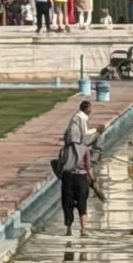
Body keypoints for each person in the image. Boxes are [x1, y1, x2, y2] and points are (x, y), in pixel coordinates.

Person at [53, 100, 95, 236]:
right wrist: (93, 181)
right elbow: (88, 166)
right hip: (81, 178)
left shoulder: (64, 151)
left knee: (68, 203)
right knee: (82, 204)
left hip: (68, 179)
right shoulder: (84, 150)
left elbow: (60, 165)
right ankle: (83, 229)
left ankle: (69, 229)